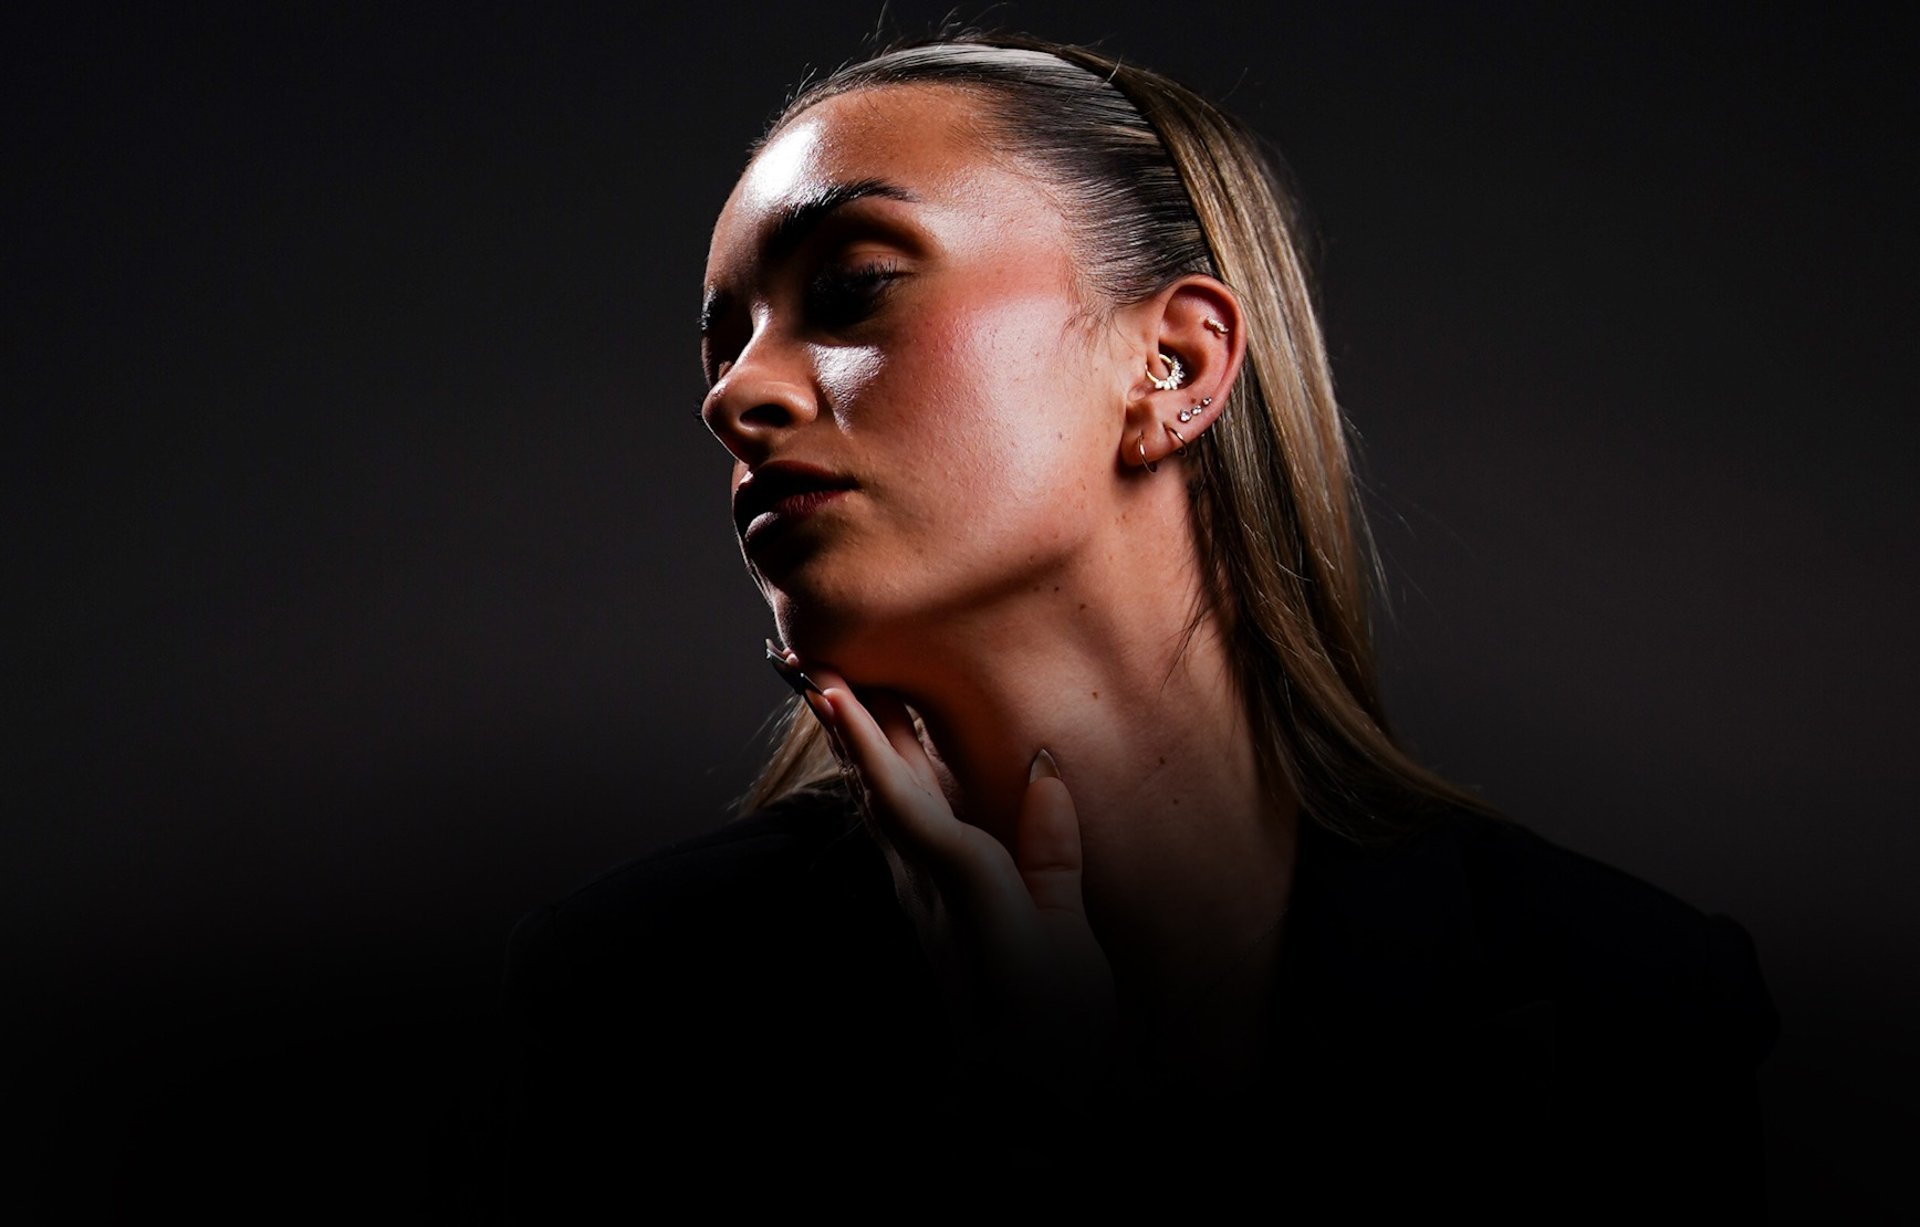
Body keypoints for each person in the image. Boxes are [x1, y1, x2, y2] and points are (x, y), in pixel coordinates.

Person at [499, 30, 1777, 1216]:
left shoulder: (1628, 1003)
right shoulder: (632, 1009)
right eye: (723, 346)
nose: (736, 398)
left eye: (853, 288)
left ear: (1173, 361)